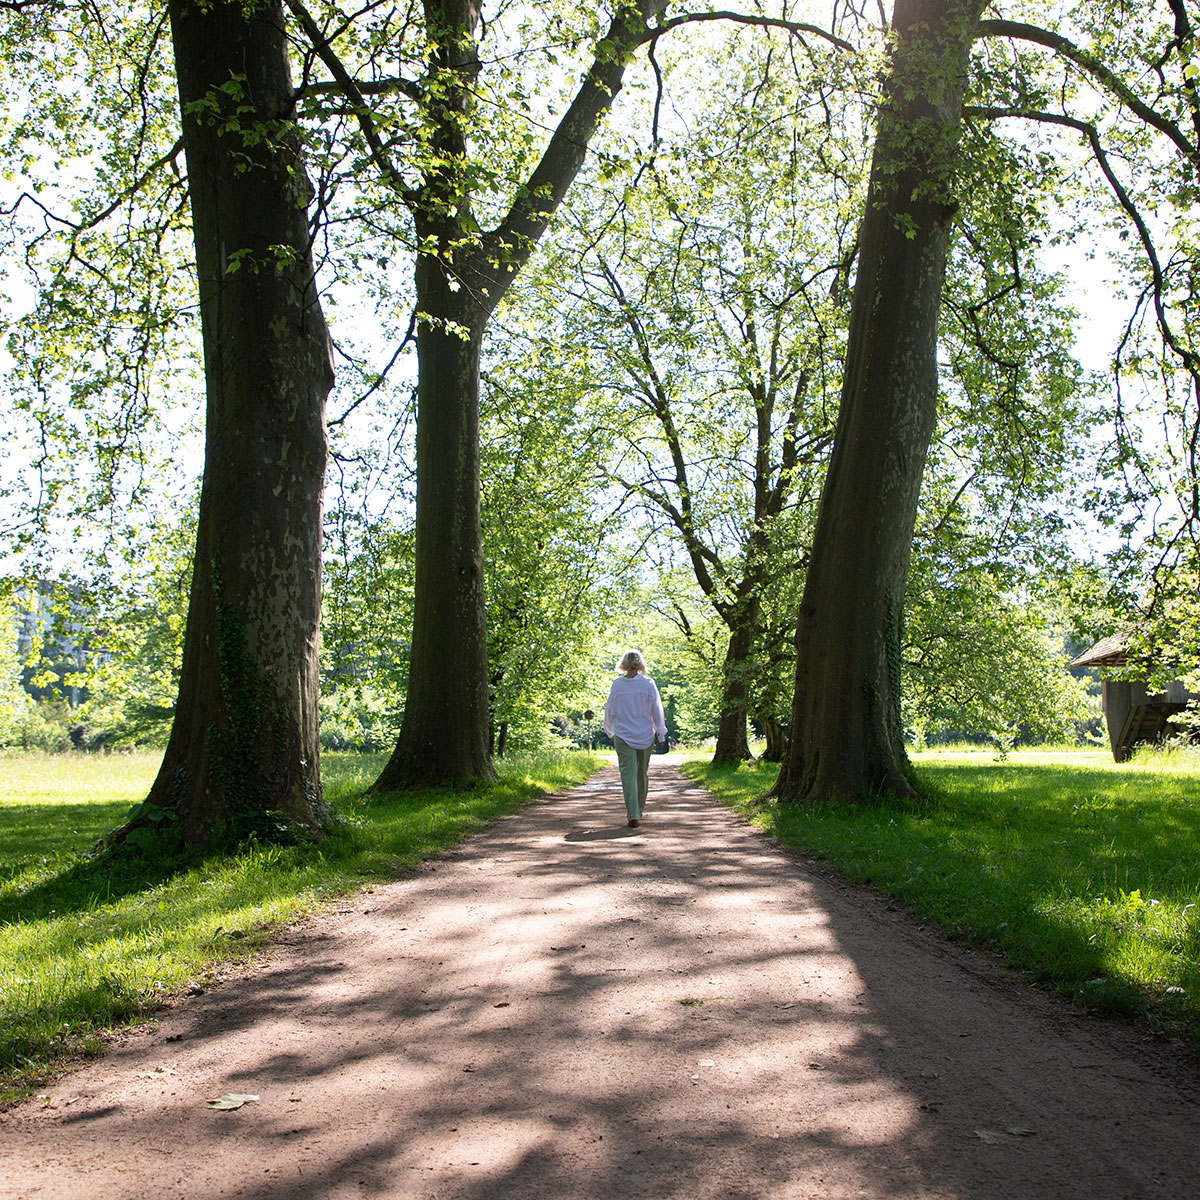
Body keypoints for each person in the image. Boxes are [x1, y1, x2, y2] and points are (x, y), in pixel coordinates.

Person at [603, 649, 668, 827]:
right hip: (645, 734)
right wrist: (661, 732)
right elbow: (657, 709)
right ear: (640, 663)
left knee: (628, 775)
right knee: (641, 774)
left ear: (623, 663)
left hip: (623, 734)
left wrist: (609, 730)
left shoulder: (617, 684)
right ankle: (638, 810)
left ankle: (633, 814)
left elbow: (609, 709)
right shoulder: (648, 683)